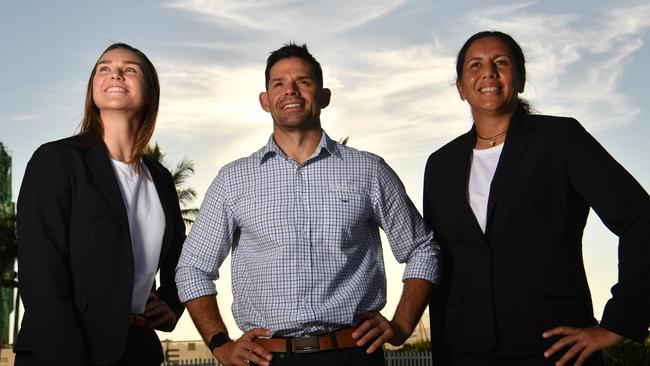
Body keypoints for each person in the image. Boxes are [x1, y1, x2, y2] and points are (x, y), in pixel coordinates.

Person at [176, 42, 441, 366]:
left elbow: (422, 249)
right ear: (265, 100)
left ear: (324, 95)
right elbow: (192, 268)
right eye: (279, 83)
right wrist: (220, 344)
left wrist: (401, 325)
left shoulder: (369, 170)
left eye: (303, 81)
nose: (291, 91)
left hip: (354, 354)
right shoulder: (233, 180)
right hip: (267, 359)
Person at [423, 30, 650, 366]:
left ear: (521, 78)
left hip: (555, 346)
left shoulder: (561, 139)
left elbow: (640, 219)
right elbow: (439, 260)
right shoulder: (440, 164)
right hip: (466, 348)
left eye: (501, 62)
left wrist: (620, 322)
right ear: (460, 87)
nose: (488, 72)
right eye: (475, 65)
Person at [14, 43, 186, 365]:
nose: (115, 73)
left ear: (149, 92)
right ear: (94, 86)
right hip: (64, 352)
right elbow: (41, 275)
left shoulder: (160, 179)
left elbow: (181, 256)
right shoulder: (56, 161)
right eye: (104, 68)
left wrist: (171, 303)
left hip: (138, 351)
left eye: (130, 68)